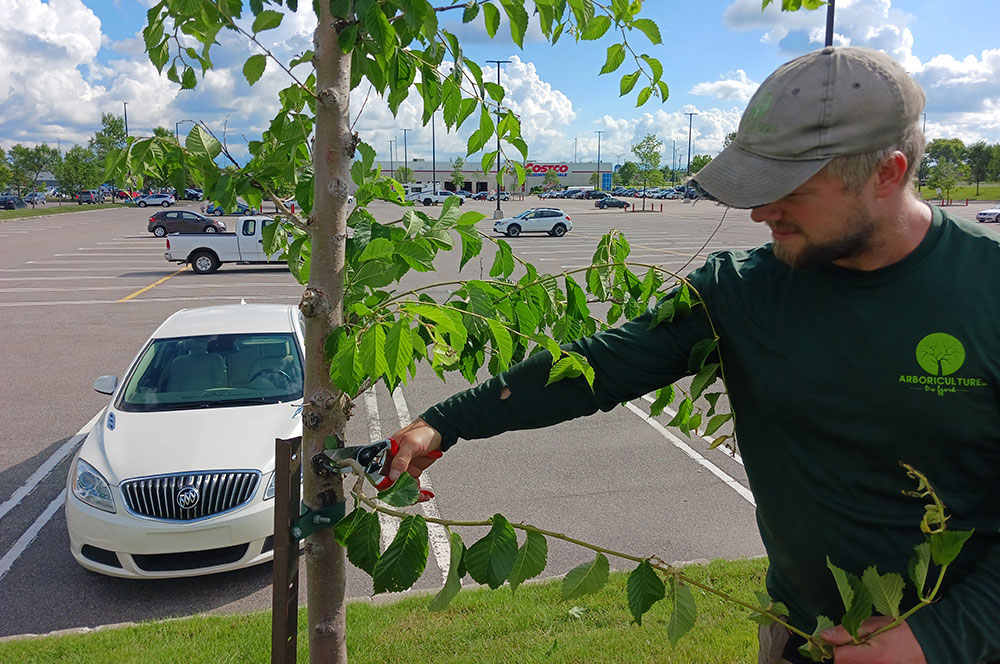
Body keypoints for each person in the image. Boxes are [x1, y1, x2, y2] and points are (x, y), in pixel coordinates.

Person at [387, 46, 1000, 664]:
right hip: (800, 635)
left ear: (887, 174)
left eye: (790, 190)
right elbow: (598, 367)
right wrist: (445, 422)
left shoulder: (988, 288)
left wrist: (939, 637)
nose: (759, 212)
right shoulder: (741, 289)